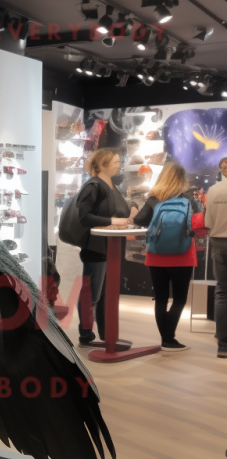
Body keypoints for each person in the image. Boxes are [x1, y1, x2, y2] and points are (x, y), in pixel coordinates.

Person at [134, 161, 202, 352]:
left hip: (156, 254)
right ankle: (168, 339)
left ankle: (166, 339)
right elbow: (198, 224)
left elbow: (139, 220)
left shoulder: (154, 198)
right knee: (179, 299)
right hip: (183, 254)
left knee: (161, 298)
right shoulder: (189, 198)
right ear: (183, 179)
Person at [76, 148, 136, 347]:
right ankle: (86, 335)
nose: (119, 165)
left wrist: (128, 216)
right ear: (103, 164)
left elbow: (120, 213)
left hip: (109, 247)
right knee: (92, 294)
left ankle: (105, 335)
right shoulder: (93, 186)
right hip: (96, 248)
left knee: (102, 294)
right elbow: (85, 217)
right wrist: (114, 220)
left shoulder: (110, 186)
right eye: (116, 162)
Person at [204, 156, 227, 358]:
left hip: (219, 242)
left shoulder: (213, 190)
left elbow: (208, 222)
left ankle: (223, 345)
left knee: (222, 291)